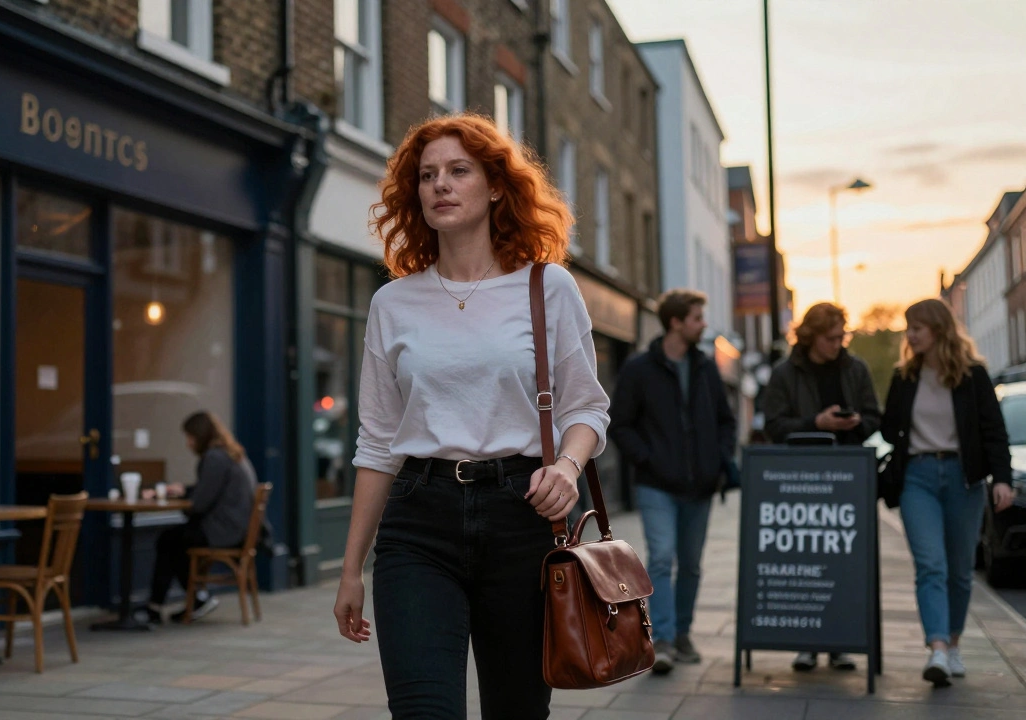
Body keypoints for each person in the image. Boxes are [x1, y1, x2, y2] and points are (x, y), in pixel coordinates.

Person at [331, 114, 610, 720]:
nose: (440, 184)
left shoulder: (547, 287)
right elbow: (378, 441)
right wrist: (351, 568)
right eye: (428, 175)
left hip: (523, 518)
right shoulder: (393, 302)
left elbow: (586, 405)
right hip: (418, 523)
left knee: (517, 711)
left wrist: (566, 466)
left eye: (459, 171)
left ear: (495, 187)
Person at [881, 299, 1016, 686]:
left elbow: (994, 432)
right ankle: (937, 648)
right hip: (917, 478)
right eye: (908, 328)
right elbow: (891, 431)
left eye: (916, 328)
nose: (909, 335)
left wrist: (1002, 479)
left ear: (938, 330)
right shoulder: (905, 377)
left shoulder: (973, 376)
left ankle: (953, 643)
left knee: (959, 570)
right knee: (930, 565)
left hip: (964, 479)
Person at [608, 289, 737, 675]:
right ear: (676, 322)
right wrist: (648, 460)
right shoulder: (639, 368)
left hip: (700, 485)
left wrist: (719, 459)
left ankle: (683, 634)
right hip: (655, 485)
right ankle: (661, 639)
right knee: (662, 558)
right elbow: (621, 424)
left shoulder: (706, 366)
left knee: (692, 565)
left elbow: (725, 421)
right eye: (697, 318)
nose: (703, 325)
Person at [761, 302, 880, 672]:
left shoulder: (855, 368)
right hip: (802, 478)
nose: (838, 343)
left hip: (848, 477)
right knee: (804, 560)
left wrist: (855, 423)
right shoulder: (785, 373)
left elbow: (876, 417)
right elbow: (774, 426)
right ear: (811, 336)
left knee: (845, 560)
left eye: (842, 336)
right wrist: (818, 422)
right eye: (831, 338)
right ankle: (807, 643)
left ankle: (840, 643)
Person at [145, 411, 257, 624]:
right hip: (237, 530)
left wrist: (184, 498)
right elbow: (208, 491)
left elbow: (199, 505)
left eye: (190, 437)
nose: (188, 444)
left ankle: (159, 606)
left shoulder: (215, 457)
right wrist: (184, 491)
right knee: (176, 540)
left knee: (169, 540)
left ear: (200, 436)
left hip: (222, 532)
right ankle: (196, 598)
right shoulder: (231, 454)